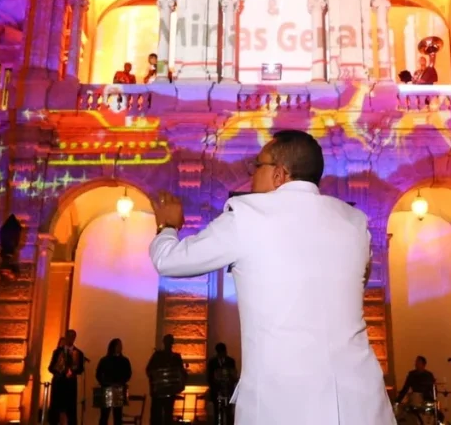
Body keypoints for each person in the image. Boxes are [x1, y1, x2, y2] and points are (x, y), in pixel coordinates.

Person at [149, 129, 397, 425]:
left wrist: (167, 226)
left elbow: (169, 261)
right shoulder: (355, 223)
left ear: (279, 175)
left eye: (258, 166)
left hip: (284, 404)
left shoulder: (247, 217)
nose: (252, 174)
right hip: (361, 403)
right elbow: (359, 281)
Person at [146, 335, 185, 425]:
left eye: (170, 342)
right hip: (158, 392)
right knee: (157, 416)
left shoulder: (176, 357)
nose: (168, 344)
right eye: (167, 342)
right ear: (164, 342)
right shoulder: (157, 356)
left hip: (170, 391)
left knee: (168, 415)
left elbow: (181, 372)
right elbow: (149, 370)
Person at [48, 330, 85, 425]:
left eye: (73, 336)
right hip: (58, 384)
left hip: (70, 385)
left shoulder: (79, 353)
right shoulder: (57, 352)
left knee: (71, 410)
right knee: (56, 409)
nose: (71, 338)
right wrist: (58, 371)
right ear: (66, 337)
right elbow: (50, 368)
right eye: (69, 336)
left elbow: (81, 369)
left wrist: (73, 372)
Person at [95, 339, 132, 425]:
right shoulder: (105, 360)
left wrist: (121, 382)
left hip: (119, 389)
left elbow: (128, 374)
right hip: (106, 389)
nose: (120, 347)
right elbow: (98, 374)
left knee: (118, 415)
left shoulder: (124, 360)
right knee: (104, 415)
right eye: (118, 345)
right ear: (113, 347)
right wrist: (104, 383)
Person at [207, 343, 238, 425]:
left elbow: (234, 376)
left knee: (229, 413)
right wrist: (215, 388)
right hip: (217, 391)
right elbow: (210, 377)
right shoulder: (212, 362)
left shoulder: (230, 361)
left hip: (228, 391)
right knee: (217, 412)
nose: (221, 354)